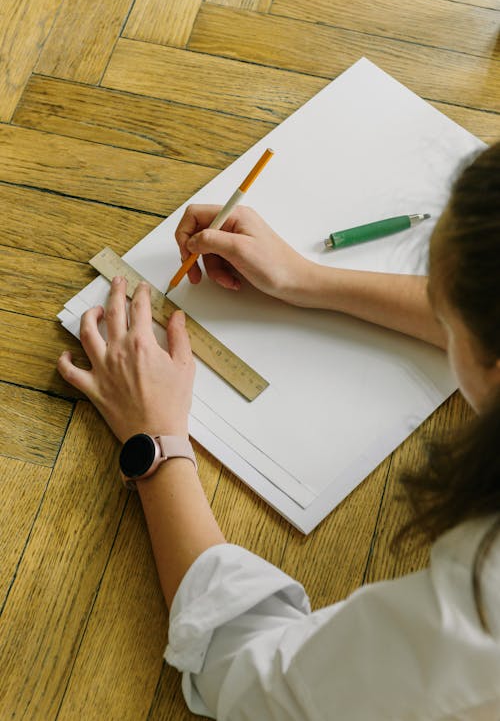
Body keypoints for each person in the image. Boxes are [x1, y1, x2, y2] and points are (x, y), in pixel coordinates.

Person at [57, 142, 500, 719]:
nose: (437, 311)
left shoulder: (476, 620)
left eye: (441, 306)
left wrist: (156, 437)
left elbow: (250, 679)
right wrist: (307, 279)